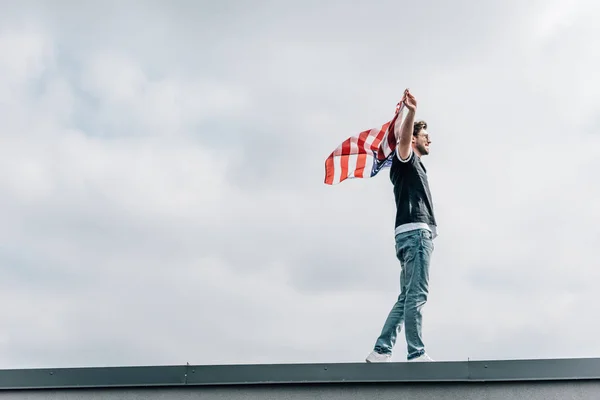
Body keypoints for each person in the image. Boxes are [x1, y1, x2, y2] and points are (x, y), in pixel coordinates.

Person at [365, 89, 437, 363]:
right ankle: (416, 353)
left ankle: (381, 350)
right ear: (413, 138)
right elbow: (403, 142)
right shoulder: (405, 159)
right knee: (417, 295)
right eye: (424, 134)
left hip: (411, 234)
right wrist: (411, 113)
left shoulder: (411, 165)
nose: (429, 138)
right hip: (416, 235)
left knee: (406, 296)